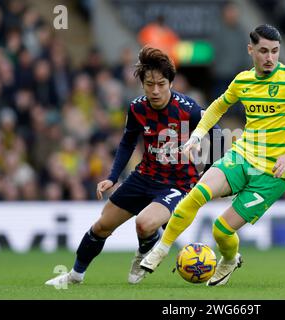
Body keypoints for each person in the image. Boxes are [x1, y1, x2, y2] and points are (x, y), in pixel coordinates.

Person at [139, 24, 285, 286]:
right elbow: (216, 108)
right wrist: (195, 137)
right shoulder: (243, 81)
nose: (269, 57)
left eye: (275, 51)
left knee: (221, 229)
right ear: (251, 50)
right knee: (197, 193)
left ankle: (228, 260)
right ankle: (161, 248)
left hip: (273, 173)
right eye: (263, 51)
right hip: (242, 156)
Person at [45, 46, 222, 286]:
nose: (155, 90)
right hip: (143, 176)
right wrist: (113, 176)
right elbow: (128, 141)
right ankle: (75, 276)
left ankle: (143, 252)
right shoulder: (137, 107)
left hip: (177, 183)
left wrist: (208, 173)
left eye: (161, 84)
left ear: (171, 82)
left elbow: (218, 134)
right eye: (150, 84)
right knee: (101, 227)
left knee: (144, 223)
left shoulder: (188, 109)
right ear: (142, 84)